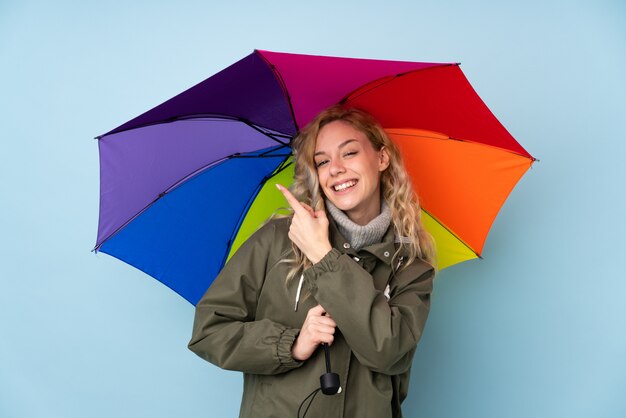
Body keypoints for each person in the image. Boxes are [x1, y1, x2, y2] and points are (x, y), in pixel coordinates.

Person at [188, 105, 436, 418]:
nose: (335, 169)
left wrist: (323, 256)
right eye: (322, 161)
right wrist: (291, 344)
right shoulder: (277, 240)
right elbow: (209, 331)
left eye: (349, 153)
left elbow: (387, 352)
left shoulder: (411, 265)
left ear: (382, 158)